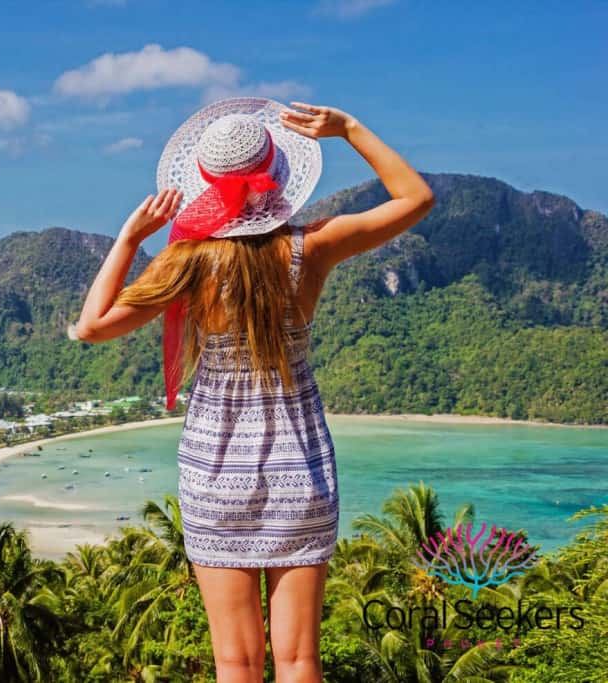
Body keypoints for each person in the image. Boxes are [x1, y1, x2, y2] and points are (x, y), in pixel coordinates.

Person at [71, 97, 434, 683]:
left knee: (234, 662)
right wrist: (350, 129)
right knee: (298, 660)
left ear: (204, 185)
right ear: (280, 176)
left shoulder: (186, 261)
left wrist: (128, 237)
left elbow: (91, 326)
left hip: (216, 472)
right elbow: (415, 199)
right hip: (301, 465)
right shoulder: (310, 248)